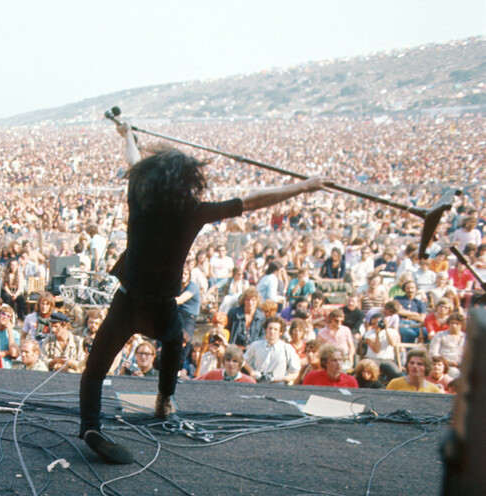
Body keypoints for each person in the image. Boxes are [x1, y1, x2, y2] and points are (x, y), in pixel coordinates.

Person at [78, 123, 329, 464]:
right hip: (162, 303)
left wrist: (128, 137)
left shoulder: (139, 197)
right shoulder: (194, 211)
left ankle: (91, 425)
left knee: (95, 370)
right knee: (173, 341)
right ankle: (164, 399)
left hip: (128, 298)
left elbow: (135, 162)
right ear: (187, 182)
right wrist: (303, 186)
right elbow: (254, 200)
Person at [242, 317, 302, 384]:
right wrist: (251, 371)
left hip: (278, 387)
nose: (272, 331)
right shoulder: (255, 345)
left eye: (275, 329)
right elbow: (243, 360)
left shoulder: (287, 349)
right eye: (270, 328)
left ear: (280, 332)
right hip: (258, 385)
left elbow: (295, 373)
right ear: (266, 329)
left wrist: (281, 379)